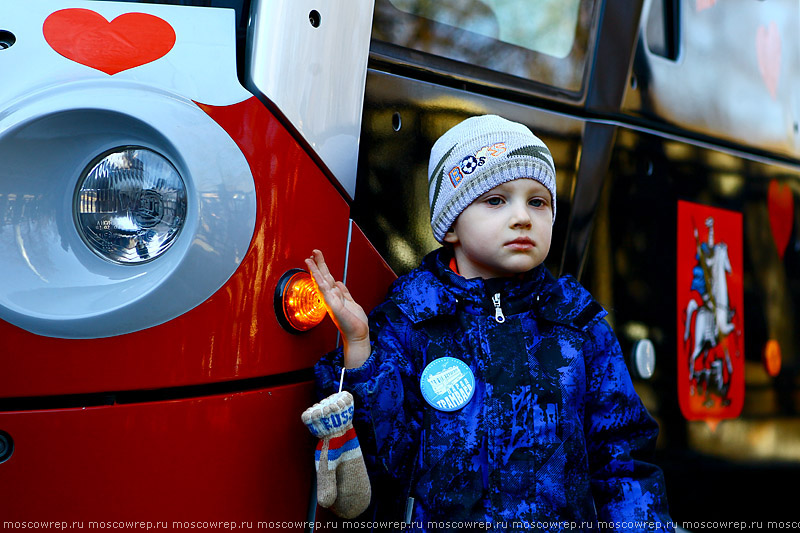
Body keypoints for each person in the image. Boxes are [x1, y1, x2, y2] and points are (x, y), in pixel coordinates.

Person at [307, 115, 673, 532]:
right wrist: (359, 349)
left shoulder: (577, 322)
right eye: (496, 200)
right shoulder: (412, 319)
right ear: (451, 225)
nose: (523, 217)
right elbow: (383, 462)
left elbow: (623, 458)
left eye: (538, 201)